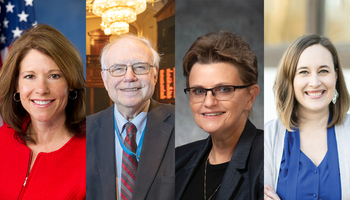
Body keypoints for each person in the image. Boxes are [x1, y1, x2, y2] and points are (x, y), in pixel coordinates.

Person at [0, 24, 86, 199]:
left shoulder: (94, 151)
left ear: (70, 83)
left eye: (54, 76)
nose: (41, 89)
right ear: (16, 85)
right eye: (29, 76)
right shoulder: (2, 139)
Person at [175, 30, 263, 200]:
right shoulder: (178, 159)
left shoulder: (269, 160)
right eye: (199, 91)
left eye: (224, 89)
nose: (209, 102)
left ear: (250, 96)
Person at [86, 34, 175, 200]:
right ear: (105, 79)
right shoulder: (84, 130)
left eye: (140, 67)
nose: (129, 77)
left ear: (155, 76)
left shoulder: (182, 124)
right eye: (118, 69)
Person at [264, 35, 350, 200]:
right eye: (304, 72)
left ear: (336, 76)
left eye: (323, 71)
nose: (315, 82)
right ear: (290, 79)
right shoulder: (267, 139)